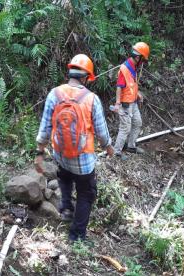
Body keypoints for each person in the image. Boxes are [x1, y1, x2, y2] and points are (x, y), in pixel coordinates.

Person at [34, 54, 114, 242]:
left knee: (65, 178)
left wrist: (39, 153)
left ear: (70, 72)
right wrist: (108, 147)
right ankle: (76, 235)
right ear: (86, 77)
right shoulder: (92, 99)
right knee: (87, 194)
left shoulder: (54, 94)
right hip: (83, 161)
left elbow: (45, 127)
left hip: (60, 154)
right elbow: (102, 133)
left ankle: (66, 208)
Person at [112, 42, 150, 156]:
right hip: (125, 104)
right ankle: (116, 152)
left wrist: (137, 93)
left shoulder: (134, 66)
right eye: (143, 59)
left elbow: (131, 84)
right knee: (125, 128)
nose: (143, 62)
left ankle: (131, 146)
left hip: (133, 103)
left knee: (138, 123)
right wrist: (118, 103)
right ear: (138, 57)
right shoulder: (125, 68)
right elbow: (119, 86)